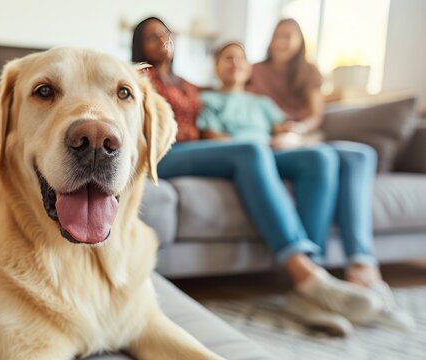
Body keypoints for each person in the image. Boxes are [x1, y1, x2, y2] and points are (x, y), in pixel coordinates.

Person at [132, 17, 382, 335]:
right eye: (152, 37)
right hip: (164, 152)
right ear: (138, 43)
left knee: (319, 157)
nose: (162, 41)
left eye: (166, 35)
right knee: (250, 149)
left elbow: (280, 123)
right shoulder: (137, 77)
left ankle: (313, 280)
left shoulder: (187, 85)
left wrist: (293, 135)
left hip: (200, 151)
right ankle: (306, 277)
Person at [247, 19, 413, 330]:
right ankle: (314, 281)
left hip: (306, 137)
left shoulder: (308, 73)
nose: (281, 42)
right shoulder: (254, 71)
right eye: (276, 36)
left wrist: (299, 130)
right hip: (275, 141)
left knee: (361, 155)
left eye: (288, 36)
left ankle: (363, 267)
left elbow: (315, 115)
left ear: (300, 42)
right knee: (321, 160)